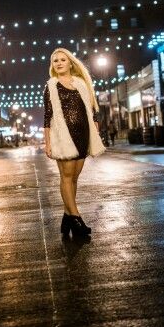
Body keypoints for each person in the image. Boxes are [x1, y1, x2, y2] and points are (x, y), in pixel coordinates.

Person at [43, 48, 106, 237]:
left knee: (74, 178)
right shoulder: (51, 86)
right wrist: (47, 143)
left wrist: (95, 131)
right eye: (55, 61)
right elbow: (47, 117)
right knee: (67, 177)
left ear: (70, 63)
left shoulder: (81, 83)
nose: (59, 63)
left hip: (82, 135)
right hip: (62, 137)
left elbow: (92, 111)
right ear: (52, 66)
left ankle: (66, 217)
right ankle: (76, 218)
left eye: (63, 60)